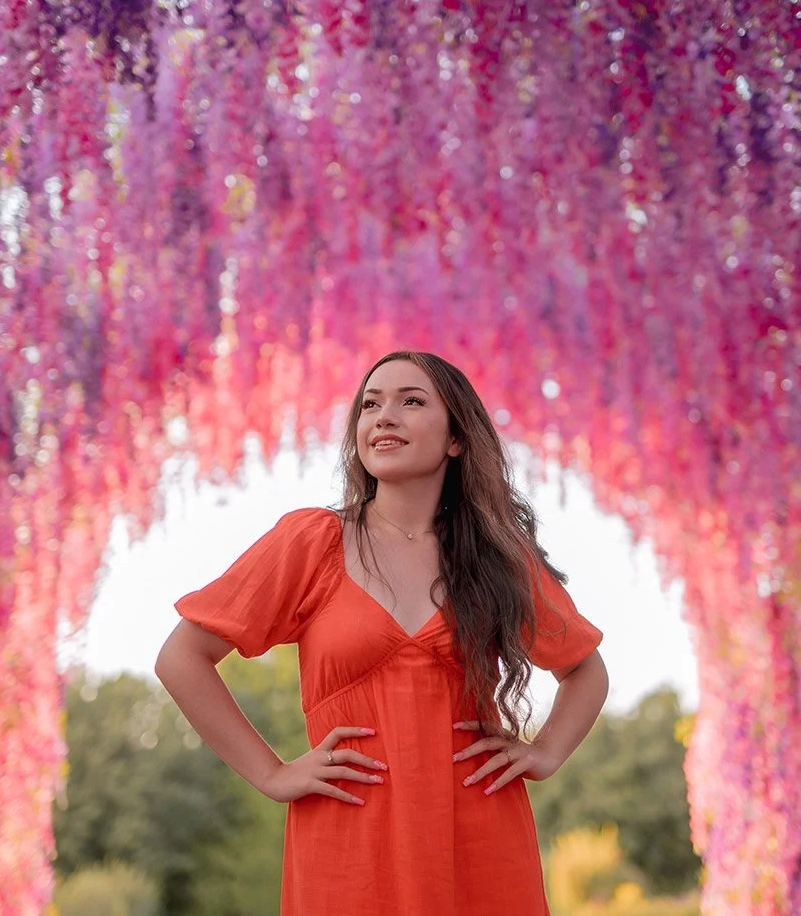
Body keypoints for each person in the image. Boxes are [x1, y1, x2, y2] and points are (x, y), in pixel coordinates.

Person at [154, 350, 609, 914]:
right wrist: (271, 772)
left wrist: (545, 753)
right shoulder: (311, 541)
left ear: (456, 439)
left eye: (410, 401)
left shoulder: (496, 558)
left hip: (480, 839)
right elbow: (182, 657)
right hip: (348, 846)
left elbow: (584, 668)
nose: (383, 416)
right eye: (370, 404)